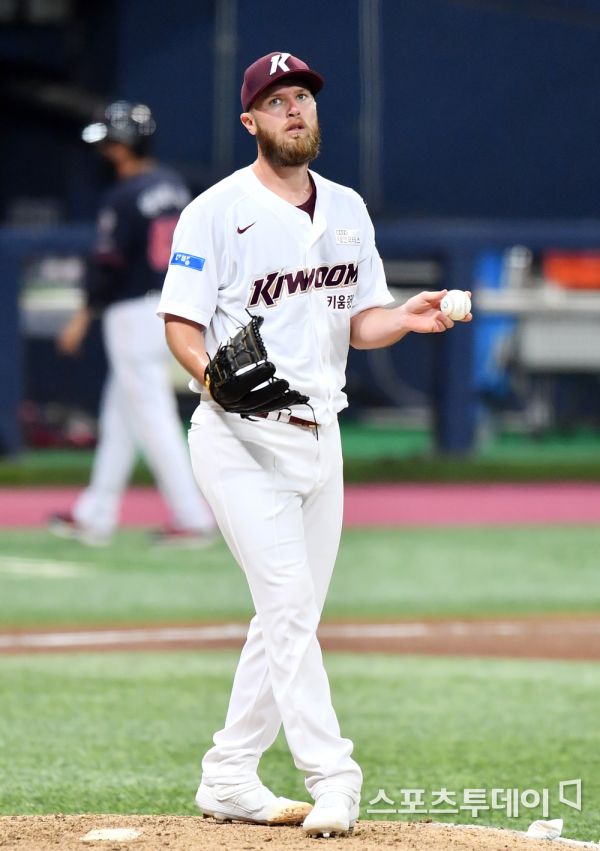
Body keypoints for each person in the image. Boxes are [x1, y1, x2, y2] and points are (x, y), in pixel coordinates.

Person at [158, 52, 472, 836]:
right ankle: (335, 777)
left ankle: (229, 773)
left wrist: (405, 317)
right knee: (291, 609)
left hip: (321, 440)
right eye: (276, 100)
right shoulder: (215, 211)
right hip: (239, 439)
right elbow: (181, 322)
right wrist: (208, 374)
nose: (293, 108)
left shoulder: (348, 210)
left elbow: (360, 321)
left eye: (301, 95)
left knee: (284, 615)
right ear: (250, 122)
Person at [49, 101, 215, 547]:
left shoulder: (122, 196)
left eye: (109, 143)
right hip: (174, 306)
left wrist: (82, 317)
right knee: (120, 416)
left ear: (124, 146)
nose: (104, 152)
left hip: (132, 313)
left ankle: (192, 517)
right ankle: (96, 514)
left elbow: (108, 267)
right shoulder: (174, 186)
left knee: (152, 417)